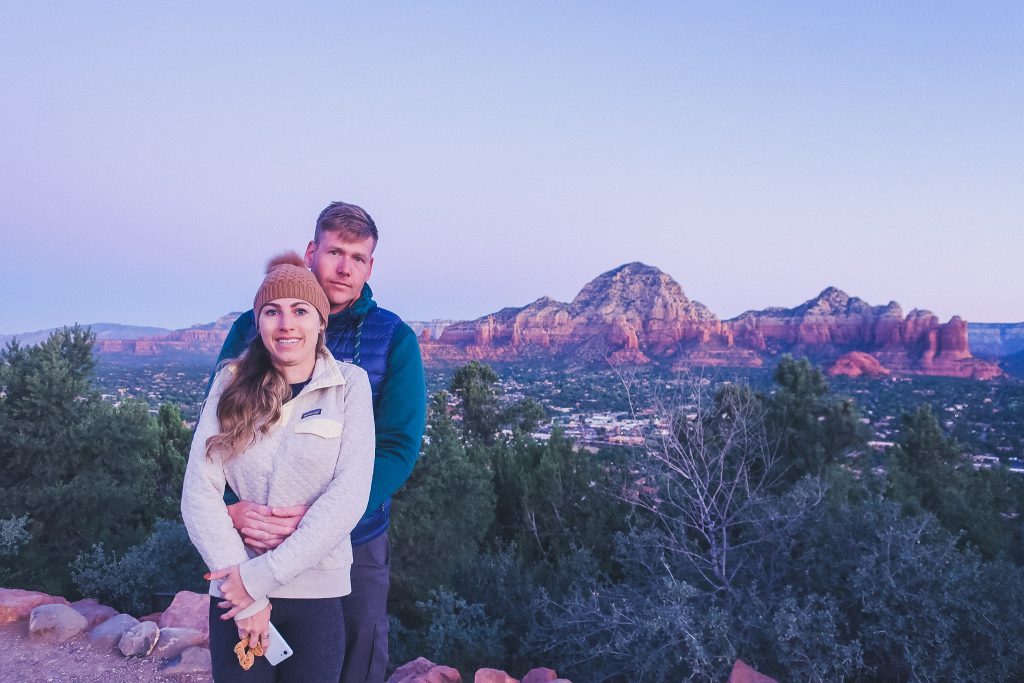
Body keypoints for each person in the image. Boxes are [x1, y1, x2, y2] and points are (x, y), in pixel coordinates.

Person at [213, 201, 427, 682]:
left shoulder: (393, 338)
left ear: (370, 266)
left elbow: (397, 446)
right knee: (254, 652)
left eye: (357, 258)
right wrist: (231, 507)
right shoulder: (253, 328)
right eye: (335, 252)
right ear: (312, 251)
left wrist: (328, 515)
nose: (344, 267)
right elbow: (219, 431)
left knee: (355, 649)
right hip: (259, 532)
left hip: (355, 537)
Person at [183, 253, 375, 681]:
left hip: (315, 592)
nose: (286, 324)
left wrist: (261, 578)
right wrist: (246, 596)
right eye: (273, 311)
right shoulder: (229, 383)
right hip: (235, 593)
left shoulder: (350, 386)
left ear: (321, 322)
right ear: (259, 321)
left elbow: (349, 495)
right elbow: (199, 492)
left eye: (300, 310)